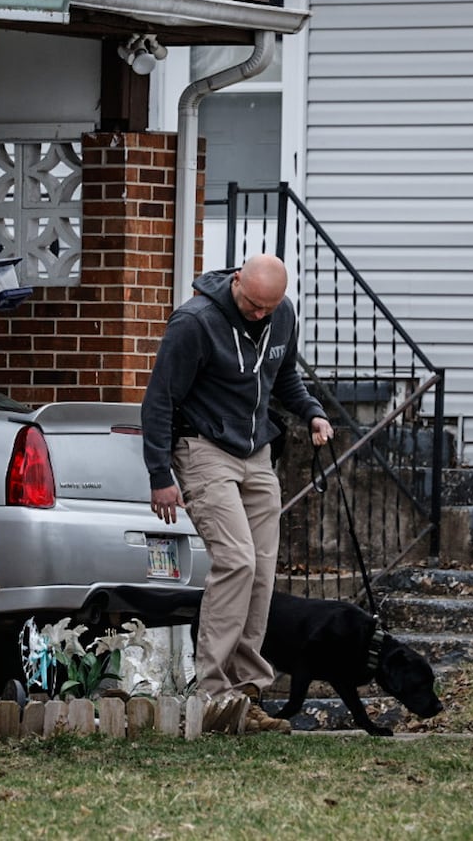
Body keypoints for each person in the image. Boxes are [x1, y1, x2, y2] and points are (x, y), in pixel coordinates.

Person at [141, 253, 334, 734]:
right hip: (203, 449)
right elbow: (159, 398)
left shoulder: (279, 314)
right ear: (236, 283)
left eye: (269, 307)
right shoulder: (195, 323)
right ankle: (212, 691)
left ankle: (247, 689)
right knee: (237, 561)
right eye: (252, 305)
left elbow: (283, 375)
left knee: (263, 569)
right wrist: (160, 474)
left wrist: (311, 411)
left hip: (257, 452)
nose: (260, 315)